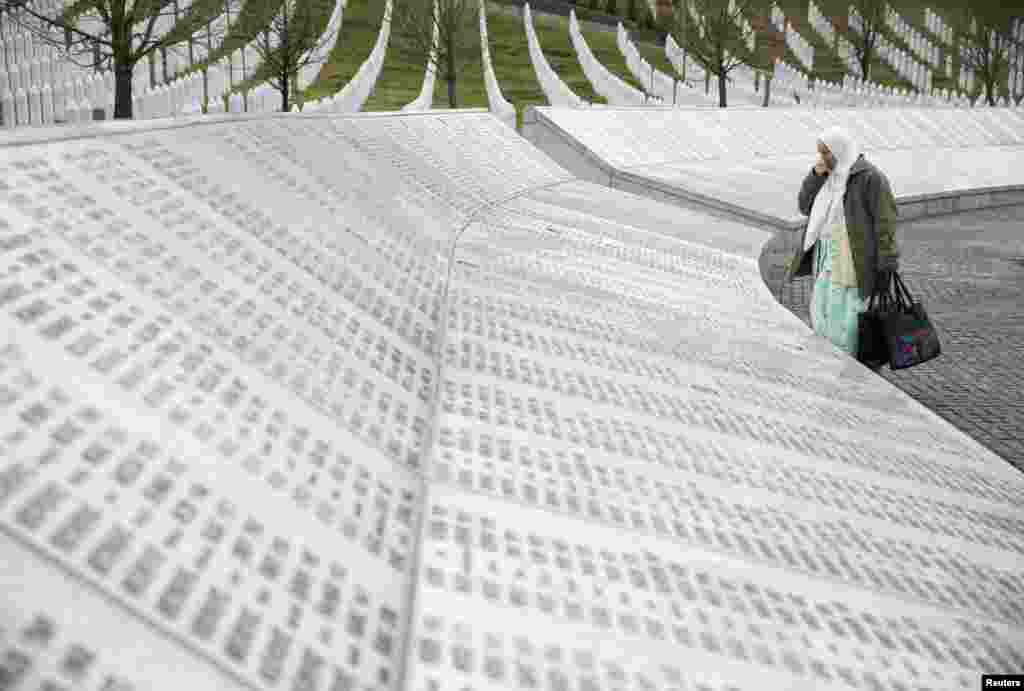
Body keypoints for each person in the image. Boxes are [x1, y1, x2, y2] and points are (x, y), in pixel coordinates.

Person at [788, 127, 900, 366]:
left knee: (848, 318)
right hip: (826, 257)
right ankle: (828, 361)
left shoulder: (871, 178)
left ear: (839, 150)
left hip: (853, 262)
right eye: (819, 152)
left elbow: (886, 222)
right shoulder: (827, 177)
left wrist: (887, 264)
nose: (821, 158)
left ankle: (850, 366)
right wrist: (815, 175)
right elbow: (804, 205)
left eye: (825, 152)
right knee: (822, 311)